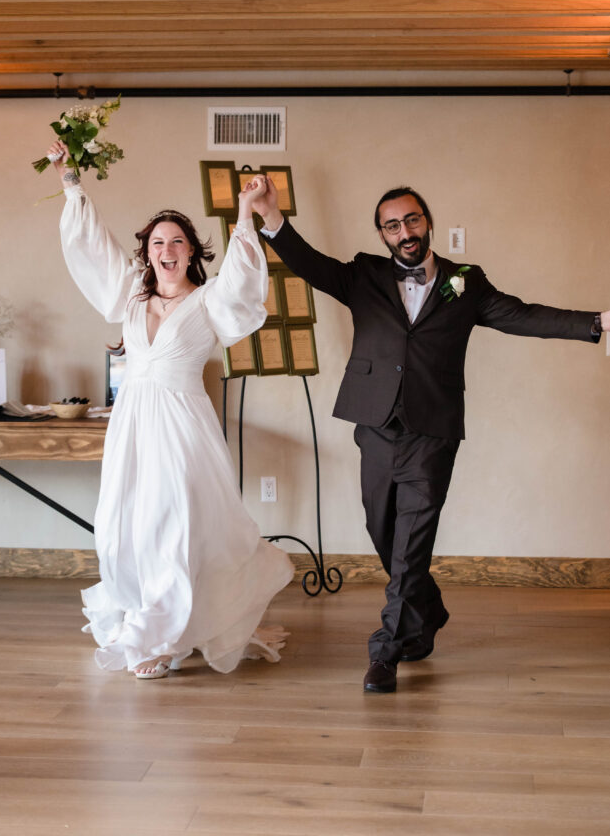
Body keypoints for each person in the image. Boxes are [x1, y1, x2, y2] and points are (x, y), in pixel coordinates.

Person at [252, 179, 609, 694]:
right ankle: (429, 611)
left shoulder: (466, 281)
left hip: (432, 432)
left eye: (412, 220)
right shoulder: (363, 275)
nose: (405, 231)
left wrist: (597, 322)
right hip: (375, 426)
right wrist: (271, 216)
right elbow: (308, 262)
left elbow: (522, 315)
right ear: (382, 233)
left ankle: (386, 653)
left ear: (428, 222)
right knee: (382, 529)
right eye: (393, 224)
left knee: (411, 544)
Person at [44, 140, 293, 678]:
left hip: (183, 428)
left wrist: (247, 212)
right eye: (157, 241)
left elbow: (244, 278)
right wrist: (70, 182)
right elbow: (93, 247)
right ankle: (148, 617)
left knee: (174, 525)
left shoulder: (208, 300)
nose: (166, 249)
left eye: (177, 241)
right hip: (133, 423)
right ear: (147, 251)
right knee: (124, 525)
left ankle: (163, 636)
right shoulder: (131, 294)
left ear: (191, 252)